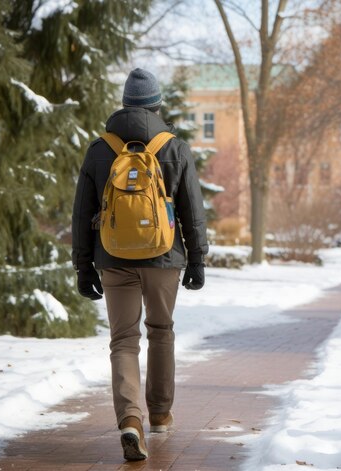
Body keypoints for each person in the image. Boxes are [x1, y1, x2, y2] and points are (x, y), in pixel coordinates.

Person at [71, 68, 208, 461]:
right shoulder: (174, 147)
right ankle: (161, 415)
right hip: (164, 257)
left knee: (123, 340)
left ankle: (130, 419)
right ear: (157, 104)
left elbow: (82, 214)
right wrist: (197, 258)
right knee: (161, 331)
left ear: (124, 104)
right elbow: (191, 209)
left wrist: (83, 266)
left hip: (113, 258)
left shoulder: (100, 149)